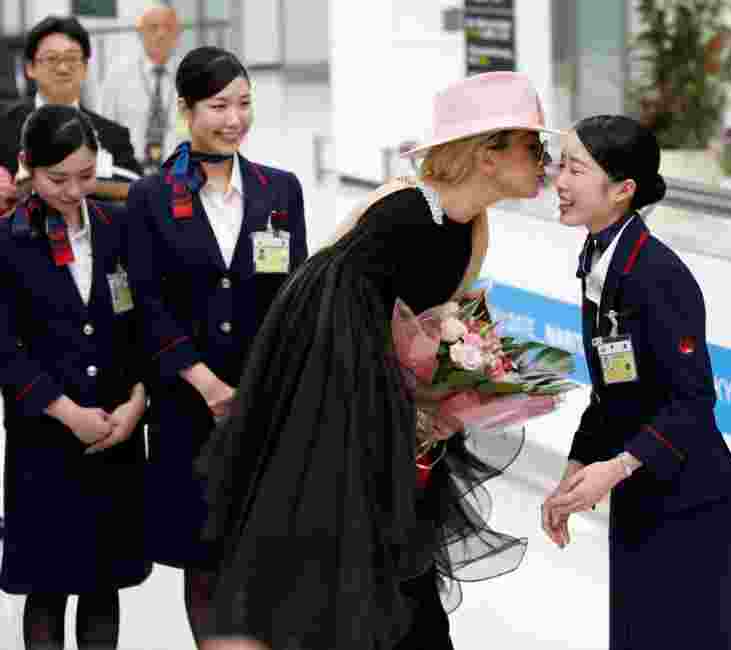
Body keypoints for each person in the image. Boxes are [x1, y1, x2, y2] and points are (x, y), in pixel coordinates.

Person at [194, 70, 557, 650]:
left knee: (397, 579)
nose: (545, 160)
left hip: (397, 430)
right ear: (487, 152)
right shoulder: (400, 206)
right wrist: (398, 403)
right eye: (532, 146)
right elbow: (320, 299)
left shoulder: (475, 230)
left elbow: (448, 326)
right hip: (335, 423)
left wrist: (461, 390)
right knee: (341, 577)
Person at [121, 46, 308, 645]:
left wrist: (263, 388)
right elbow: (147, 304)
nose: (234, 119)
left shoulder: (280, 190)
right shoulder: (151, 197)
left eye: (245, 103)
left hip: (264, 406)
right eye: (219, 105)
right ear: (187, 108)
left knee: (263, 554)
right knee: (203, 558)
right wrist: (206, 384)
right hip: (186, 407)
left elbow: (293, 299)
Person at [541, 115, 731, 649]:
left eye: (576, 169)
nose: (559, 182)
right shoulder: (598, 259)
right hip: (640, 489)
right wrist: (576, 471)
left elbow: (694, 400)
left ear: (623, 190)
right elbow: (611, 390)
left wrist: (616, 466)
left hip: (689, 499)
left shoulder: (657, 275)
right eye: (560, 166)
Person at [0, 105, 150, 649]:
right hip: (46, 438)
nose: (71, 191)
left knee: (102, 582)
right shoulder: (9, 240)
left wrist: (137, 400)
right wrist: (66, 412)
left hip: (116, 432)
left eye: (85, 177)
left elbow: (141, 324)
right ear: (27, 167)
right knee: (47, 587)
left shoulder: (119, 229)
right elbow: (5, 350)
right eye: (56, 179)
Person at [0, 16, 142, 200]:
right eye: (52, 58)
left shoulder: (113, 135)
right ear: (30, 68)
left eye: (72, 58)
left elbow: (137, 193)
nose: (63, 68)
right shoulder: (4, 127)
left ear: (84, 68)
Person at [102, 4, 183, 174]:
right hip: (128, 174)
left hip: (178, 175)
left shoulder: (193, 77)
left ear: (177, 34)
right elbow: (102, 130)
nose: (161, 34)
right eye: (153, 28)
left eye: (168, 28)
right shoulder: (117, 76)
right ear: (140, 32)